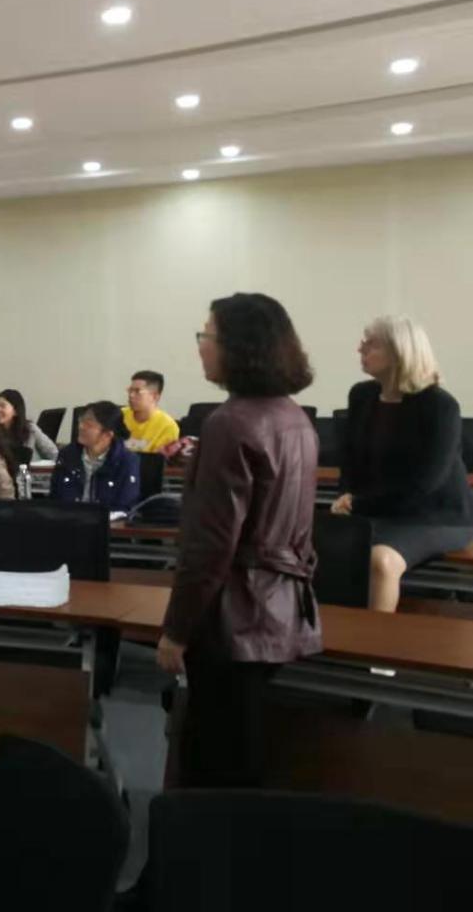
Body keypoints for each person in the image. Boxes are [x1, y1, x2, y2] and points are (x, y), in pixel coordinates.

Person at [156, 293, 320, 788]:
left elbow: (210, 548)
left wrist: (177, 630)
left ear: (241, 346)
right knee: (244, 750)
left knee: (210, 762)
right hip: (279, 606)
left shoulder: (230, 422)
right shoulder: (294, 416)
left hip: (233, 616)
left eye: (207, 335)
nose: (200, 346)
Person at [332, 316, 473, 612]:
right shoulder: (362, 395)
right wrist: (344, 497)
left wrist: (358, 504)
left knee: (381, 561)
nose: (360, 348)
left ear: (399, 351)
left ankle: (374, 642)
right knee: (319, 544)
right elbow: (350, 459)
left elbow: (425, 484)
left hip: (435, 516)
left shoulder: (440, 405)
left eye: (371, 343)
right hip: (378, 510)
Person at [49, 401, 141, 511]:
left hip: (107, 521)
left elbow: (124, 507)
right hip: (67, 519)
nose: (81, 427)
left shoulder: (127, 462)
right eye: (81, 421)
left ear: (107, 434)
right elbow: (54, 498)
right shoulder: (67, 455)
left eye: (89, 425)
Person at [122, 370, 181, 454]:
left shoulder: (168, 426)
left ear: (155, 397)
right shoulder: (119, 415)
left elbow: (159, 460)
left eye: (137, 391)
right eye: (130, 390)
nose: (131, 395)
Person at [0, 389, 58, 461]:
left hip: (32, 468)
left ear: (15, 411)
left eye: (2, 406)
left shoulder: (30, 429)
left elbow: (54, 454)